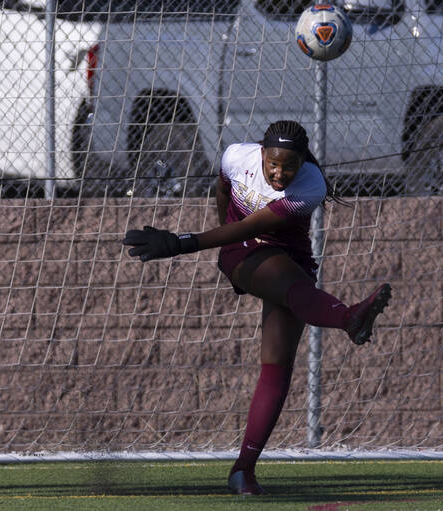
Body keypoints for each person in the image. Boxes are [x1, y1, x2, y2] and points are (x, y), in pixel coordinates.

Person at [122, 120, 393, 496]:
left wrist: (181, 243)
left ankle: (243, 470)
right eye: (274, 165)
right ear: (262, 154)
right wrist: (219, 249)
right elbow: (222, 194)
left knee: (277, 366)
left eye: (290, 166)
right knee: (295, 288)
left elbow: (253, 226)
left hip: (284, 253)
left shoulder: (312, 185)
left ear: (302, 162)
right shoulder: (236, 156)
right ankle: (349, 318)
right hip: (242, 250)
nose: (280, 173)